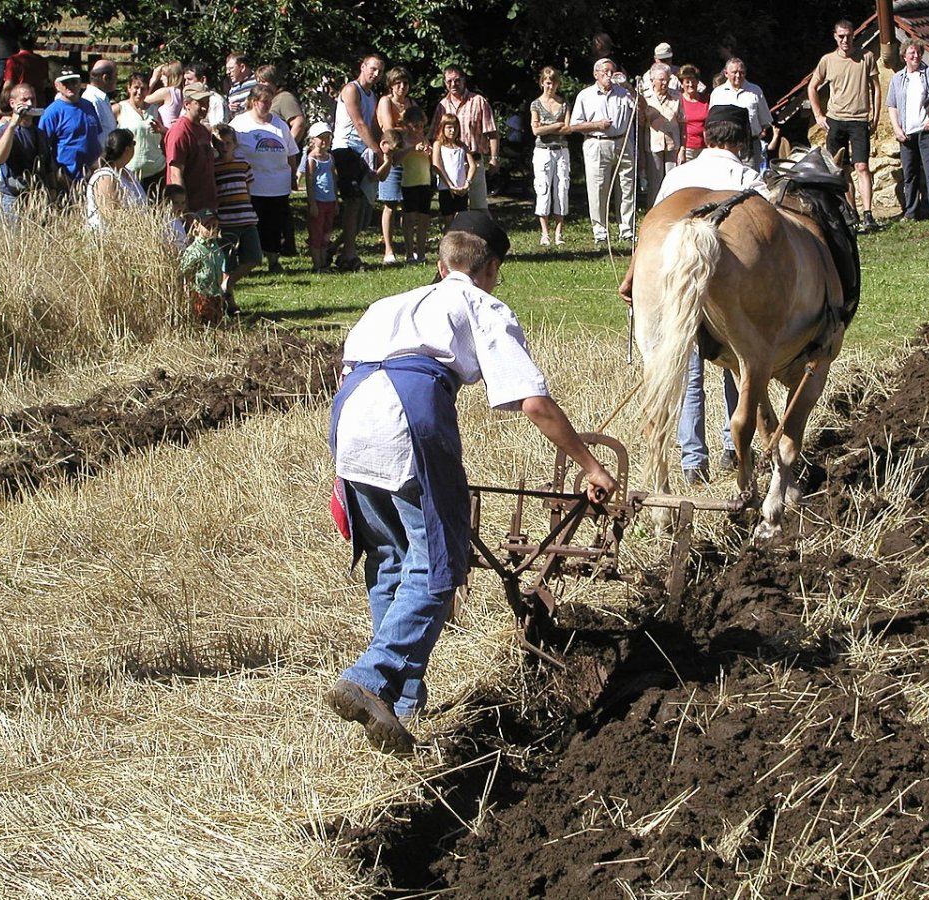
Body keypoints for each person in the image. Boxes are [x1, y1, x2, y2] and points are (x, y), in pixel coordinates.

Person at [326, 211, 618, 752]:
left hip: (349, 418)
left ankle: (401, 700)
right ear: (490, 269)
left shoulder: (387, 304)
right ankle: (371, 676)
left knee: (391, 557)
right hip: (406, 416)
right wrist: (589, 464)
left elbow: (349, 374)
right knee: (440, 564)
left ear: (443, 264)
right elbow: (530, 400)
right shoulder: (482, 305)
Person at [619, 105, 760, 482]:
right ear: (742, 141)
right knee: (741, 368)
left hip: (670, 274)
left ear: (705, 137)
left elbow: (654, 229)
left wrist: (634, 273)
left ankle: (692, 461)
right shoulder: (750, 178)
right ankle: (734, 448)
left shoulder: (678, 176)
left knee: (685, 370)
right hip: (732, 282)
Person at [808, 22, 881, 230]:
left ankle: (868, 214)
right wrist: (818, 115)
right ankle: (851, 213)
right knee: (840, 168)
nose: (845, 40)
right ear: (835, 37)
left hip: (859, 120)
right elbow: (812, 87)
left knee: (862, 166)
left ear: (853, 36)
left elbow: (876, 87)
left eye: (848, 36)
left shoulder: (866, 57)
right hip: (836, 120)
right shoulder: (827, 60)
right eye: (841, 36)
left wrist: (874, 115)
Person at [231, 83, 299, 274]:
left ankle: (274, 260)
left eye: (271, 101)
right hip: (252, 186)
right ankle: (249, 261)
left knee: (274, 225)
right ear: (254, 102)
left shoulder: (279, 124)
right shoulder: (239, 124)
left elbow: (291, 152)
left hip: (278, 185)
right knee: (252, 225)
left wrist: (293, 176)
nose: (268, 105)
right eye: (264, 101)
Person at [569, 58, 638, 245]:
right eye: (605, 71)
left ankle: (627, 229)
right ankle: (600, 231)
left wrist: (629, 87)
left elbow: (641, 108)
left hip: (622, 142)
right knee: (598, 188)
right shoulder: (585, 95)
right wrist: (596, 125)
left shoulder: (623, 93)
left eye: (612, 71)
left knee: (627, 187)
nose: (609, 75)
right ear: (596, 74)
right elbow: (574, 125)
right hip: (597, 143)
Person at [887, 39, 929, 223]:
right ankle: (911, 212)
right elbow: (892, 105)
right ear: (904, 56)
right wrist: (897, 128)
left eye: (918, 53)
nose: (915, 56)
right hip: (906, 134)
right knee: (910, 174)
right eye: (911, 53)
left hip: (926, 131)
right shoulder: (897, 78)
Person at [332, 53, 385, 272]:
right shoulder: (351, 90)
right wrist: (377, 151)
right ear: (362, 67)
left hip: (363, 153)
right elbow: (359, 123)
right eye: (372, 68)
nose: (375, 74)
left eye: (380, 71)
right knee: (352, 203)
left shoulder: (371, 95)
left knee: (362, 206)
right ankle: (349, 255)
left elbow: (373, 126)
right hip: (346, 150)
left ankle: (337, 249)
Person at [428, 66, 499, 211]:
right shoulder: (442, 106)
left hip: (475, 161)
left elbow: (492, 133)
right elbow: (434, 136)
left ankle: (483, 234)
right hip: (450, 165)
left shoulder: (478, 101)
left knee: (479, 208)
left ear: (464, 80)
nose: (453, 84)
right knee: (452, 210)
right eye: (449, 81)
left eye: (457, 80)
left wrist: (494, 158)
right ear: (444, 82)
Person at [0, 82, 57, 224]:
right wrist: (13, 124)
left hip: (38, 199)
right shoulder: (4, 130)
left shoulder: (40, 134)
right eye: (24, 100)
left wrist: (52, 191)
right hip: (14, 200)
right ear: (13, 103)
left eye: (33, 99)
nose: (30, 104)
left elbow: (48, 166)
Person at [210, 124, 262, 309]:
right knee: (227, 262)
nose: (224, 147)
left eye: (228, 143)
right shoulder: (213, 168)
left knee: (254, 257)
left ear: (234, 144)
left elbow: (247, 190)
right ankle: (229, 303)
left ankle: (228, 284)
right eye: (220, 144)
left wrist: (249, 207)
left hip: (246, 217)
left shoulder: (243, 164)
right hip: (227, 220)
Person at [377, 66, 418, 264]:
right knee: (390, 204)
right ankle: (389, 250)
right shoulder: (386, 102)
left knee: (409, 207)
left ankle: (411, 252)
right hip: (392, 159)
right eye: (397, 83)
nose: (402, 87)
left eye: (405, 83)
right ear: (391, 85)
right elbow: (389, 129)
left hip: (409, 158)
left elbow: (418, 128)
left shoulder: (412, 103)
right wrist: (407, 131)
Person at [711, 57, 778, 174]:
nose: (738, 75)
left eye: (741, 72)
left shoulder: (755, 91)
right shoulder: (717, 93)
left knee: (751, 180)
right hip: (725, 146)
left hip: (750, 146)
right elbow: (712, 123)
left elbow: (765, 121)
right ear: (726, 73)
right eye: (734, 72)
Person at [39, 67, 102, 189]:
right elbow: (43, 147)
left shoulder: (88, 106)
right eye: (65, 83)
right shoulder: (52, 112)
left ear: (80, 83)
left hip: (93, 175)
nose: (70, 86)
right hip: (67, 178)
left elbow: (96, 136)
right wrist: (56, 175)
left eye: (74, 82)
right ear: (57, 86)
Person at [529, 66, 569, 245]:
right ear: (542, 83)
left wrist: (547, 126)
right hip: (542, 151)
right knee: (543, 188)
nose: (550, 87)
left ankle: (559, 232)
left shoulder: (564, 103)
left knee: (561, 188)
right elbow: (535, 130)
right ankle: (544, 233)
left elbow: (567, 128)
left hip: (561, 150)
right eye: (547, 83)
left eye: (553, 83)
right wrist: (555, 126)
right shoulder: (536, 104)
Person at [164, 82, 218, 213]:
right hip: (192, 209)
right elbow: (175, 175)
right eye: (200, 103)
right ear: (186, 104)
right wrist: (186, 214)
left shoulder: (203, 130)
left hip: (207, 206)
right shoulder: (180, 132)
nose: (205, 108)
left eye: (207, 102)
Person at [85, 128, 146, 230]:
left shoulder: (127, 173)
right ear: (127, 149)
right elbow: (110, 215)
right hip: (109, 241)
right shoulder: (105, 177)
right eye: (133, 144)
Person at [117, 71, 166, 195]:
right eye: (136, 88)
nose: (139, 92)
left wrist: (162, 130)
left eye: (143, 89)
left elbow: (164, 133)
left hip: (156, 170)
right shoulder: (120, 109)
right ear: (128, 88)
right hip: (130, 172)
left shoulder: (154, 110)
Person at [301, 122, 339, 273]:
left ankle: (324, 263)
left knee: (326, 232)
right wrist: (312, 203)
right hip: (318, 201)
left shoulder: (330, 158)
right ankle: (317, 264)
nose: (324, 141)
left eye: (327, 138)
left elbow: (333, 178)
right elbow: (309, 181)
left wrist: (336, 200)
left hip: (330, 200)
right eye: (320, 138)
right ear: (312, 140)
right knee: (316, 233)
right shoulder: (312, 159)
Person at [643, 63, 682, 206]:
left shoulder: (677, 97)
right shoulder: (645, 98)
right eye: (661, 80)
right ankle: (653, 212)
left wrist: (682, 149)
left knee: (672, 183)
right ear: (652, 80)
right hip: (653, 145)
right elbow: (641, 126)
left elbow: (682, 123)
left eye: (667, 79)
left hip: (673, 145)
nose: (665, 83)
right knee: (655, 184)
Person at [398, 106, 433, 265]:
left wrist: (430, 152)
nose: (419, 129)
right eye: (415, 126)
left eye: (421, 126)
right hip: (409, 184)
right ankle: (409, 253)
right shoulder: (403, 140)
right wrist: (412, 149)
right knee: (409, 218)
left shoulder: (425, 139)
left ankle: (421, 253)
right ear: (407, 125)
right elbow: (395, 160)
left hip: (425, 182)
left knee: (424, 219)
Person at [181, 211, 228, 324]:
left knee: (217, 323)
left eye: (215, 226)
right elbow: (185, 274)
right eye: (208, 227)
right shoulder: (194, 250)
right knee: (202, 322)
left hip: (216, 293)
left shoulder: (216, 248)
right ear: (197, 226)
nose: (212, 230)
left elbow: (222, 268)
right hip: (200, 294)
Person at [433, 112, 476, 227]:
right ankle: (447, 244)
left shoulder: (462, 146)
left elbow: (472, 166)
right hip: (445, 189)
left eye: (455, 128)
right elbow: (436, 165)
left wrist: (467, 184)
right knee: (448, 220)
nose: (452, 131)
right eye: (449, 127)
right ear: (443, 128)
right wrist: (449, 185)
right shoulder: (438, 145)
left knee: (460, 220)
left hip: (461, 189)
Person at [256, 64, 307, 145]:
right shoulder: (266, 101)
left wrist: (287, 148)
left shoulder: (284, 98)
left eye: (263, 81)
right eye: (258, 82)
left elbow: (299, 123)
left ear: (274, 82)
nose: (260, 85)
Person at [82, 59, 118, 150]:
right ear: (105, 78)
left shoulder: (102, 99)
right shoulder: (91, 100)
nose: (117, 80)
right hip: (98, 159)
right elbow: (90, 134)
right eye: (115, 76)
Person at [677, 65, 709, 163]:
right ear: (682, 84)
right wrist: (681, 150)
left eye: (693, 81)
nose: (691, 84)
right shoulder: (678, 100)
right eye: (687, 82)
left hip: (705, 147)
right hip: (686, 148)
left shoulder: (706, 99)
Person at [3, 35, 50, 101]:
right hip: (39, 99)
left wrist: (3, 101)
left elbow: (8, 84)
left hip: (21, 99)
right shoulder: (41, 60)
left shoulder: (13, 60)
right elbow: (45, 82)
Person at [185, 62, 229, 127]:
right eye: (185, 80)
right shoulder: (188, 99)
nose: (186, 83)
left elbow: (218, 130)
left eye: (189, 79)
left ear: (203, 80)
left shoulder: (215, 100)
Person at [146, 61, 184, 129]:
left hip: (166, 133)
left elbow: (142, 100)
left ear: (171, 76)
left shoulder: (167, 92)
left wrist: (153, 79)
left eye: (163, 75)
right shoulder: (181, 92)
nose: (161, 78)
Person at [225, 52, 258, 118]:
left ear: (242, 67)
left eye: (231, 68)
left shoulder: (257, 82)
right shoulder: (233, 88)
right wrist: (230, 108)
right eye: (227, 69)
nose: (227, 72)